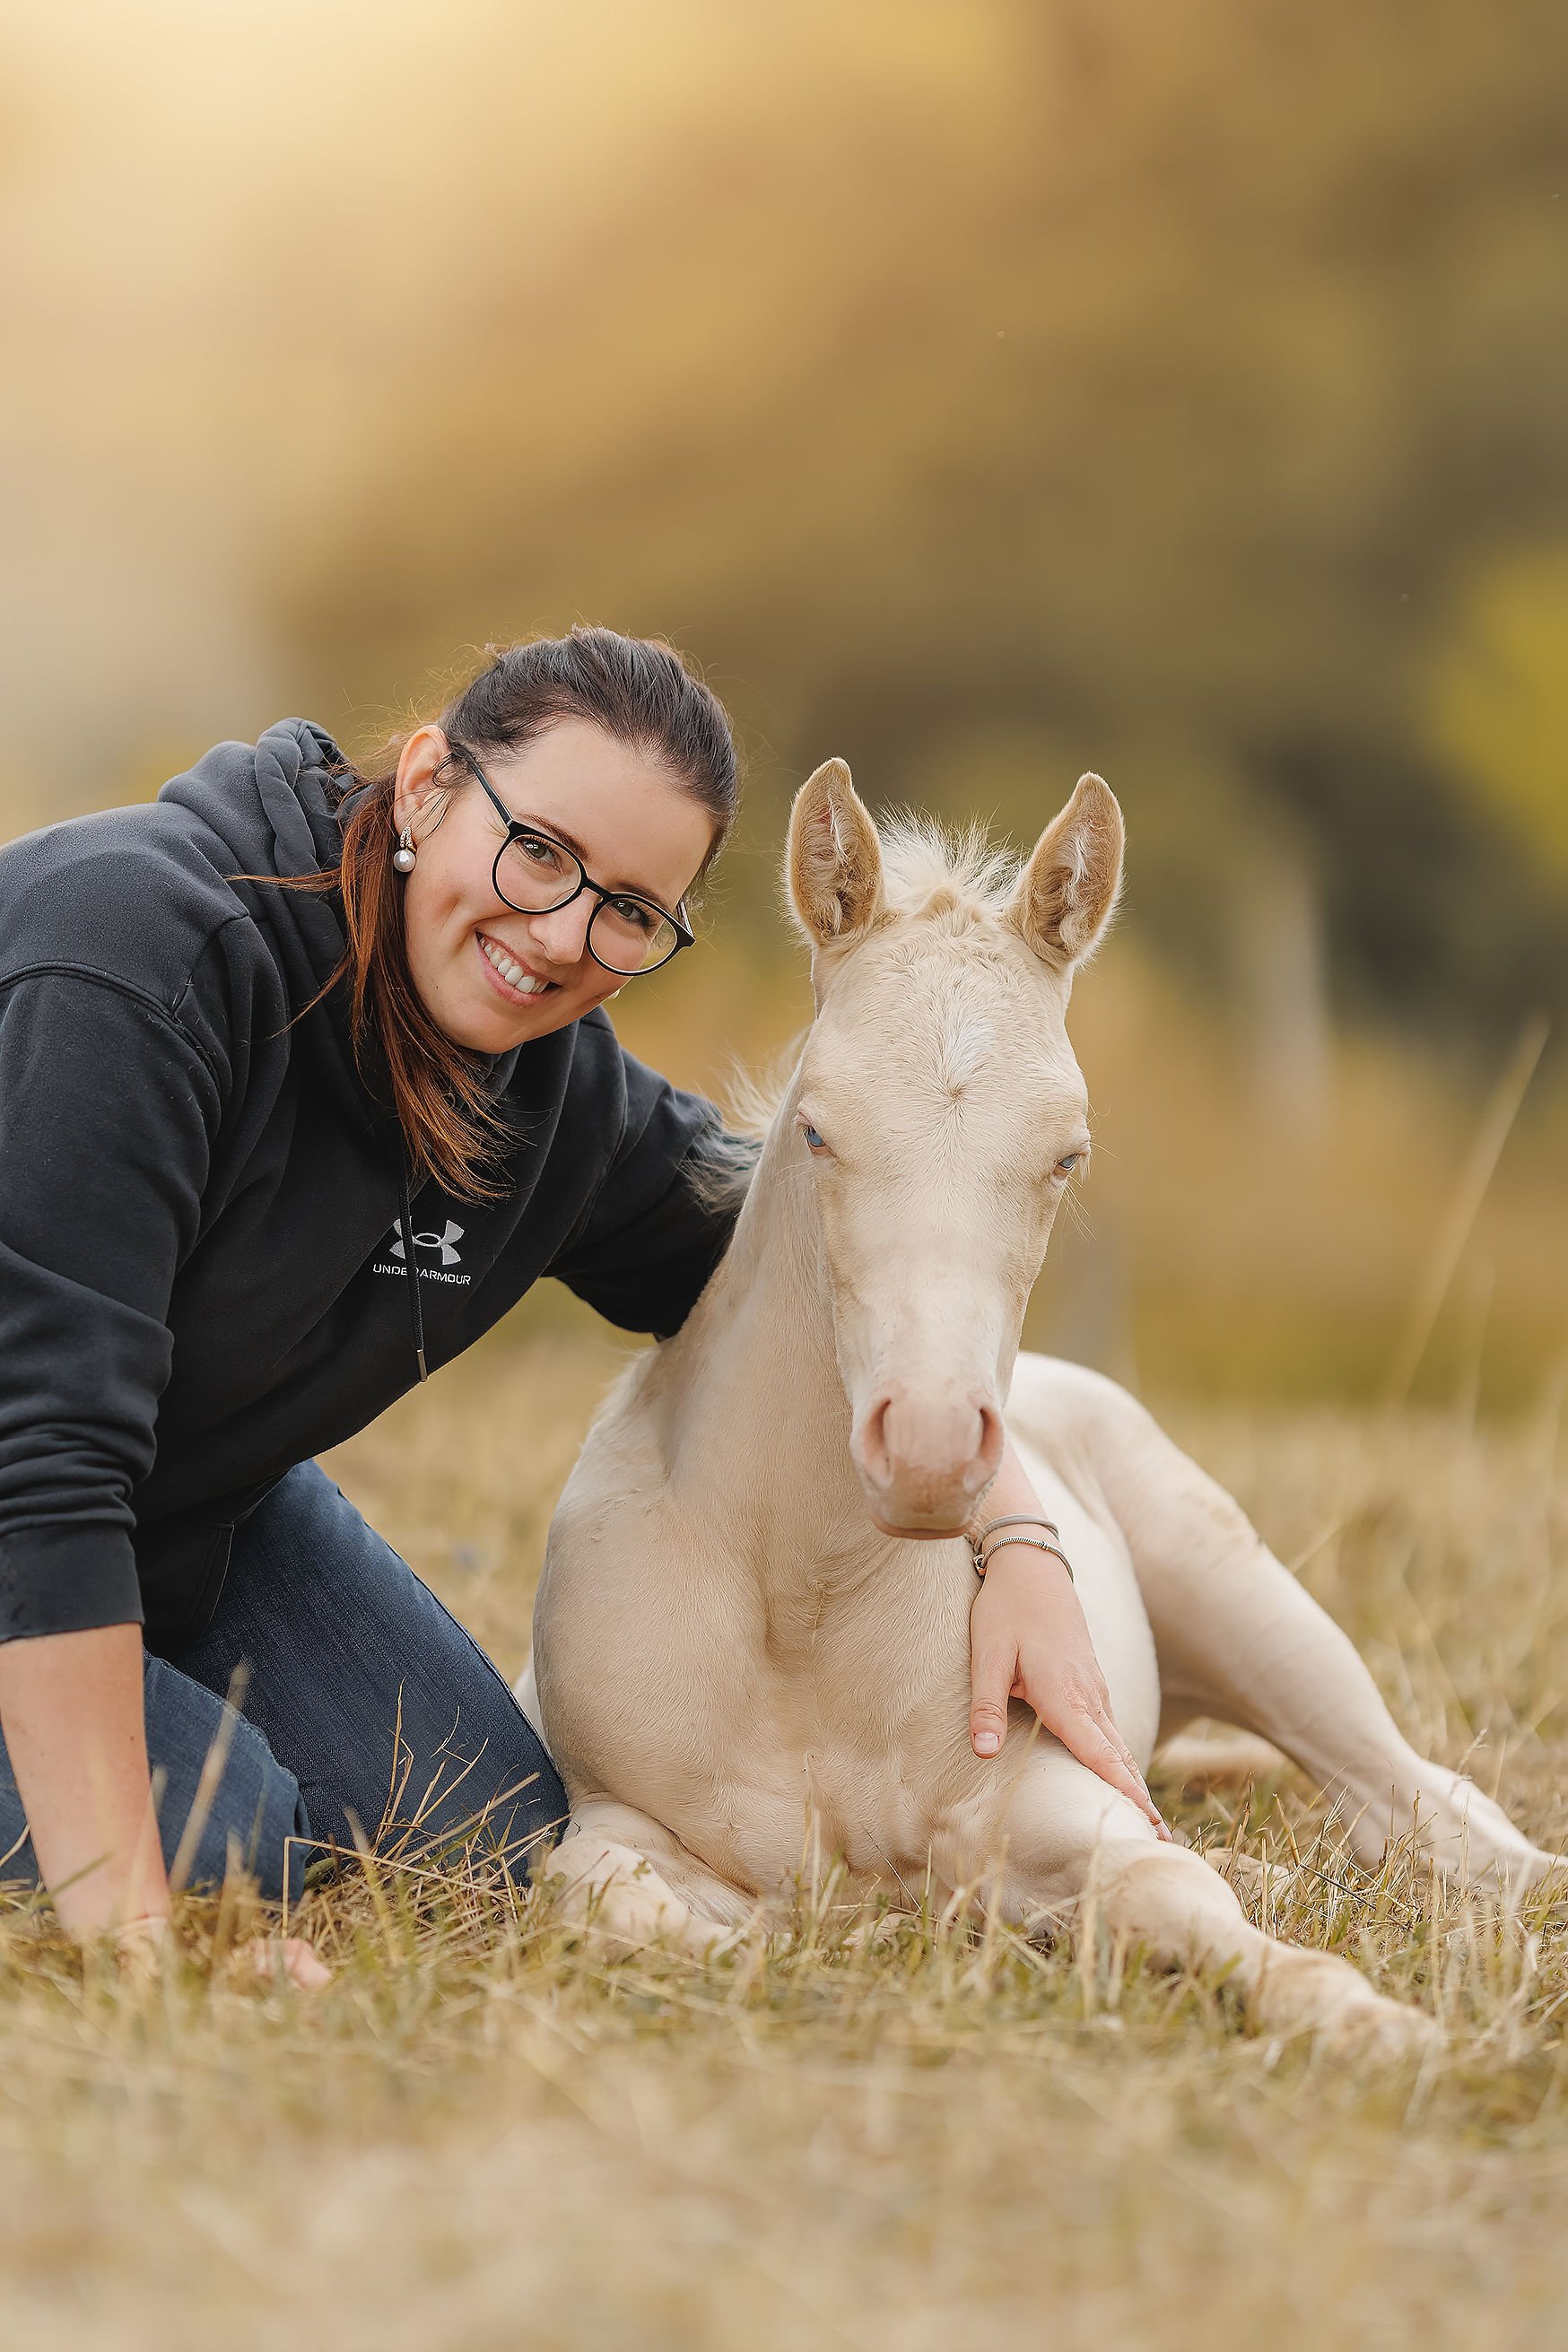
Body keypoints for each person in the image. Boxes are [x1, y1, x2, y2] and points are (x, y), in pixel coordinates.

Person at [0, 627, 1161, 1985]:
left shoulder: (558, 1094)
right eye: (539, 849)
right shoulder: (133, 960)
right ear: (427, 783)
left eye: (630, 910)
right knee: (220, 1840)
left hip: (178, 1512)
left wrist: (1010, 1528)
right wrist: (147, 1947)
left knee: (486, 1829)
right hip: (43, 1486)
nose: (561, 936)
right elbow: (45, 1464)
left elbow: (823, 1265)